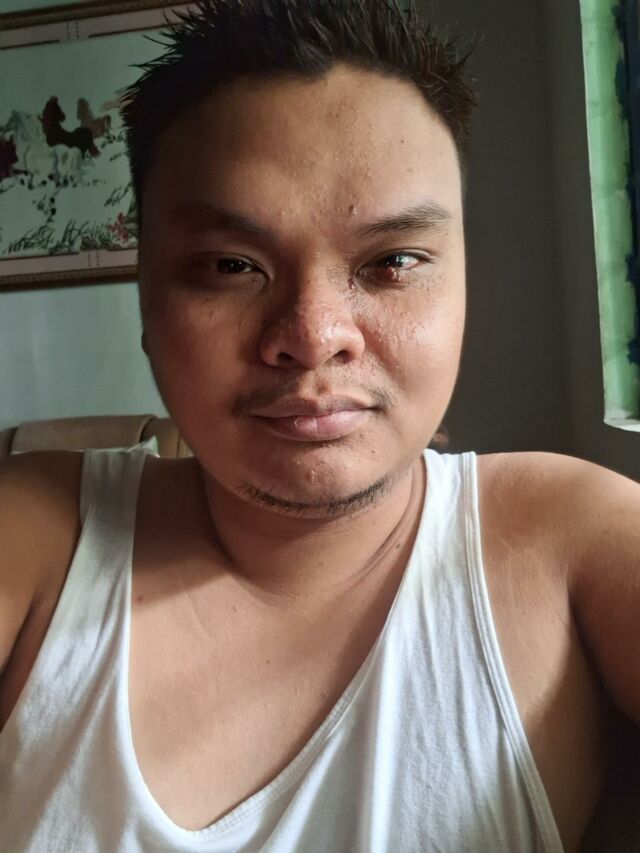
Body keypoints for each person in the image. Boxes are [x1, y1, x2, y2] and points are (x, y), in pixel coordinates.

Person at [1, 1, 638, 850]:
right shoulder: (39, 537)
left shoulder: (569, 540)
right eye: (231, 265)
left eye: (392, 262)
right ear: (145, 297)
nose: (312, 335)